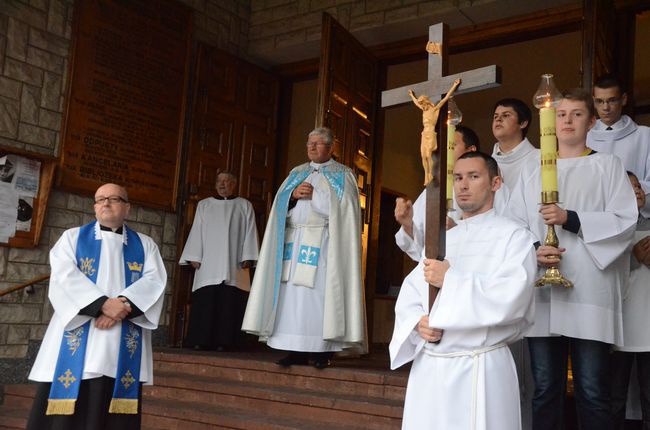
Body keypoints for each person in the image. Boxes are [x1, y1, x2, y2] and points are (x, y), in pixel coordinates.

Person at [506, 89, 638, 430]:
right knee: (545, 388)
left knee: (593, 390)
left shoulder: (608, 165)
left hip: (590, 292)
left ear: (591, 122)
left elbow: (624, 220)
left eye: (577, 114)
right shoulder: (533, 172)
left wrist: (572, 219)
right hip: (545, 294)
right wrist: (535, 248)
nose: (567, 120)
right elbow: (513, 223)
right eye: (561, 114)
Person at [390, 151, 537, 430]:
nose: (463, 185)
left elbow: (513, 299)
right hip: (431, 366)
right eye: (458, 178)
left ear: (495, 183)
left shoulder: (515, 238)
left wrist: (451, 280)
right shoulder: (443, 240)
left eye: (473, 176)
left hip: (481, 365)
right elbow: (412, 292)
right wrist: (418, 323)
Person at [27, 183, 167, 430]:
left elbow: (155, 281)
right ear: (94, 207)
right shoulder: (72, 238)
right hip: (79, 331)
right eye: (100, 199)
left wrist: (121, 307)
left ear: (127, 207)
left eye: (113, 198)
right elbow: (64, 276)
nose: (105, 203)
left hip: (121, 335)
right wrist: (102, 305)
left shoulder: (145, 245)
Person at [242, 127, 365, 369]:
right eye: (309, 143)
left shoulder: (343, 175)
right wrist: (292, 197)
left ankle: (321, 352)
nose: (311, 147)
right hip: (293, 241)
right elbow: (279, 205)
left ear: (330, 148)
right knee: (291, 298)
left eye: (318, 143)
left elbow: (345, 213)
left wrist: (316, 197)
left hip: (323, 243)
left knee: (317, 297)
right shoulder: (296, 172)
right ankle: (294, 351)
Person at [179, 172, 259, 351]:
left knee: (229, 301)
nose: (223, 184)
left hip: (234, 262)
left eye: (227, 181)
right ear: (215, 184)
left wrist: (249, 256)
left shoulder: (244, 205)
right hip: (208, 262)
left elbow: (250, 231)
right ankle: (201, 339)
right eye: (219, 181)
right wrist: (194, 256)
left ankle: (227, 342)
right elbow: (197, 230)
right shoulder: (204, 205)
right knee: (206, 299)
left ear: (234, 184)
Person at [395, 124, 482, 261]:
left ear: (471, 150)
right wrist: (407, 224)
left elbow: (494, 231)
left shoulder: (488, 186)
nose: (446, 150)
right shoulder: (435, 188)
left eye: (452, 145)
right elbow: (419, 248)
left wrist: (457, 229)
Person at [611, 171, 650, 430]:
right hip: (619, 326)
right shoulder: (611, 230)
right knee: (613, 396)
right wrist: (633, 259)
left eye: (638, 186)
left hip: (647, 325)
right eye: (629, 187)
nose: (637, 190)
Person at [587, 74, 650, 217]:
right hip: (595, 216)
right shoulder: (584, 137)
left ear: (623, 99)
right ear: (593, 102)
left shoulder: (645, 135)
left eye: (612, 100)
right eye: (600, 101)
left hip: (636, 218)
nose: (606, 107)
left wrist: (624, 191)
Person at [408, 79, 461, 185]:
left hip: (431, 134)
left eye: (422, 103)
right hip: (424, 134)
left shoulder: (435, 109)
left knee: (428, 155)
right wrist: (411, 96)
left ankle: (431, 173)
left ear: (426, 102)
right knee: (423, 156)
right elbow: (415, 103)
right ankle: (426, 175)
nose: (421, 105)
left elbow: (445, 98)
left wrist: (454, 85)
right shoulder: (424, 110)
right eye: (421, 104)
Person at [491, 98, 537, 190]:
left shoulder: (540, 159)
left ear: (523, 123)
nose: (498, 119)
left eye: (506, 115)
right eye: (495, 116)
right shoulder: (484, 163)